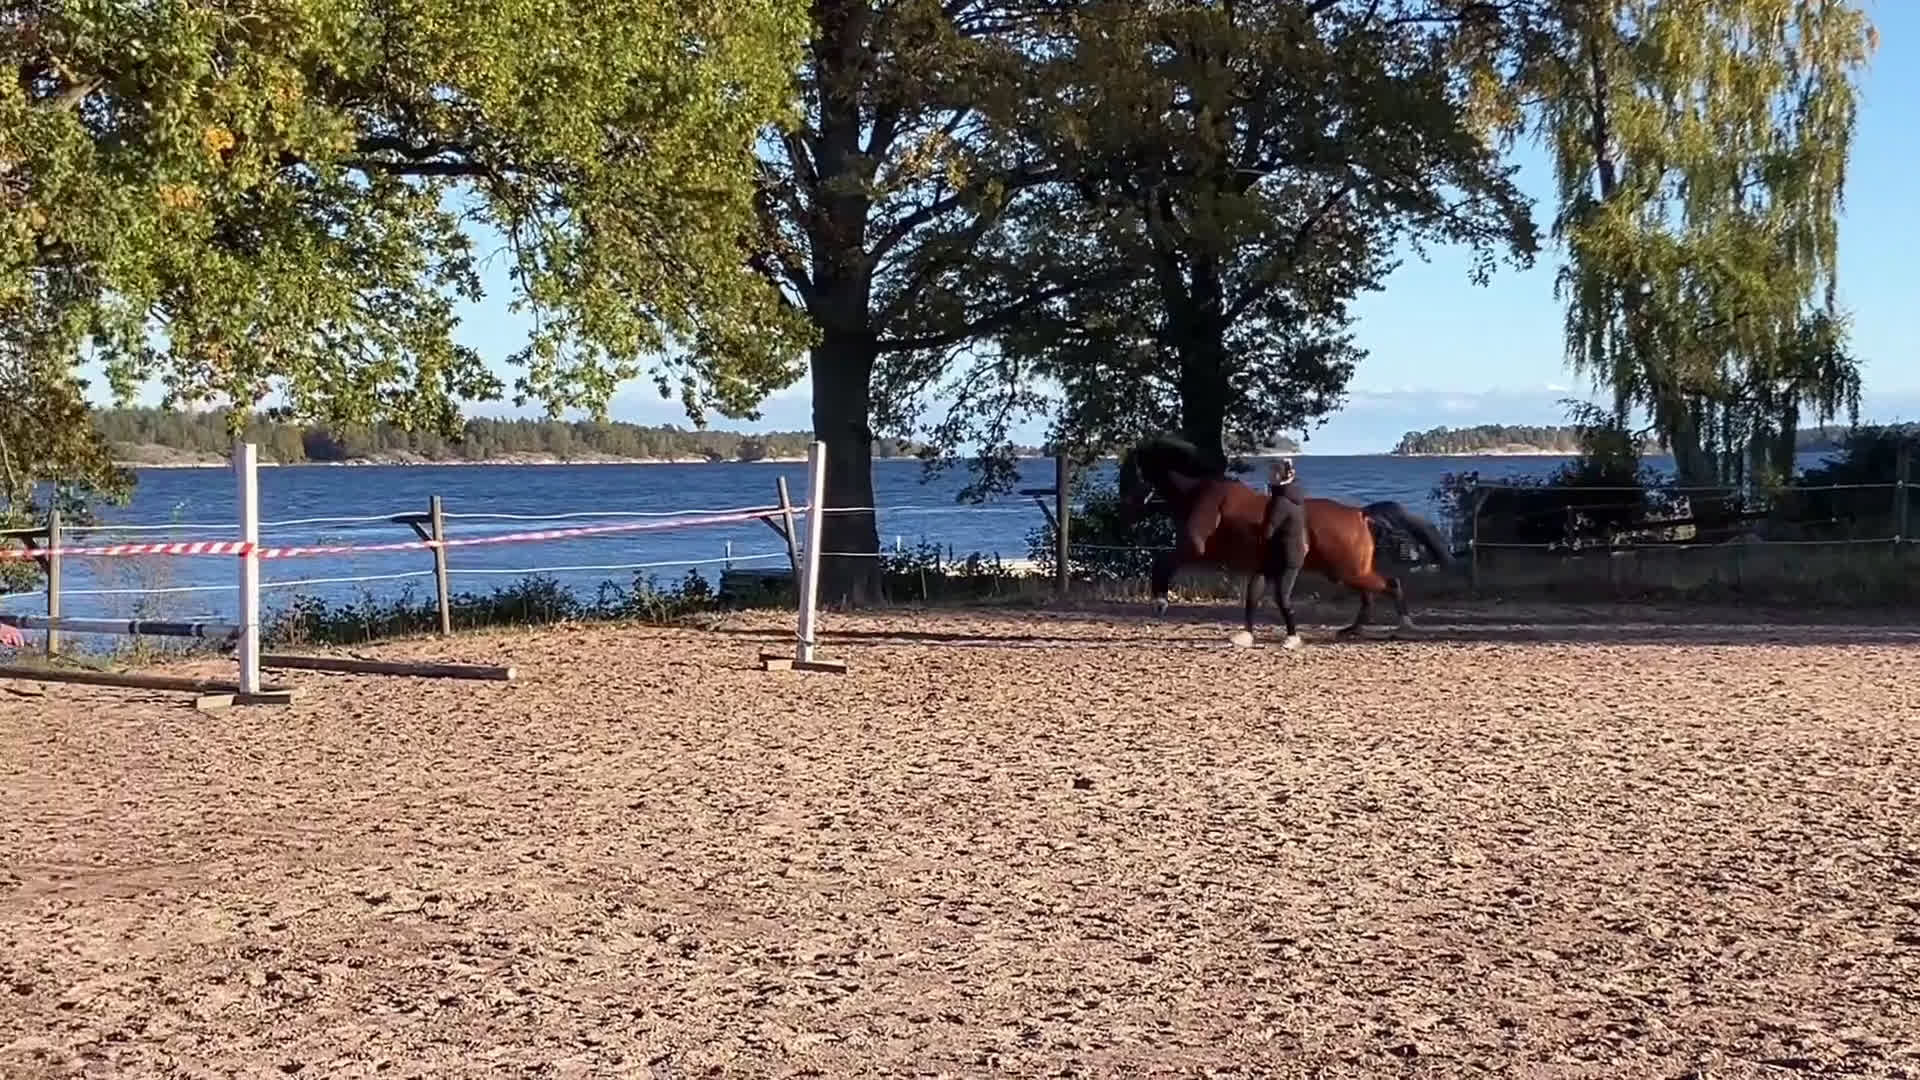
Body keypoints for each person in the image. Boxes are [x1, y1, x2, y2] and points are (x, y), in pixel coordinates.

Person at [1262, 458, 1310, 648]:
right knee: (1276, 593)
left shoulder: (1281, 502)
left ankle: (1293, 635)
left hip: (1288, 555)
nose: (1269, 476)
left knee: (1282, 597)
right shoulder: (1294, 495)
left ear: (1281, 476)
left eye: (1273, 473)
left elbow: (1269, 529)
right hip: (1286, 552)